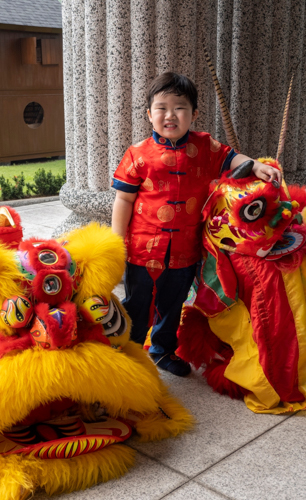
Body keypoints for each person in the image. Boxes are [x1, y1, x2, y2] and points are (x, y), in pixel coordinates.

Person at [111, 72, 282, 376]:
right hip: (141, 250)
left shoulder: (206, 146)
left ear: (194, 114)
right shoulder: (137, 154)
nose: (170, 115)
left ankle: (162, 350)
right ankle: (129, 353)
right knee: (136, 302)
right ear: (149, 114)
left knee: (173, 303)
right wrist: (115, 241)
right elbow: (123, 200)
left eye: (180, 107)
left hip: (184, 251)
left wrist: (255, 165)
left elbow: (231, 158)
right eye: (161, 108)